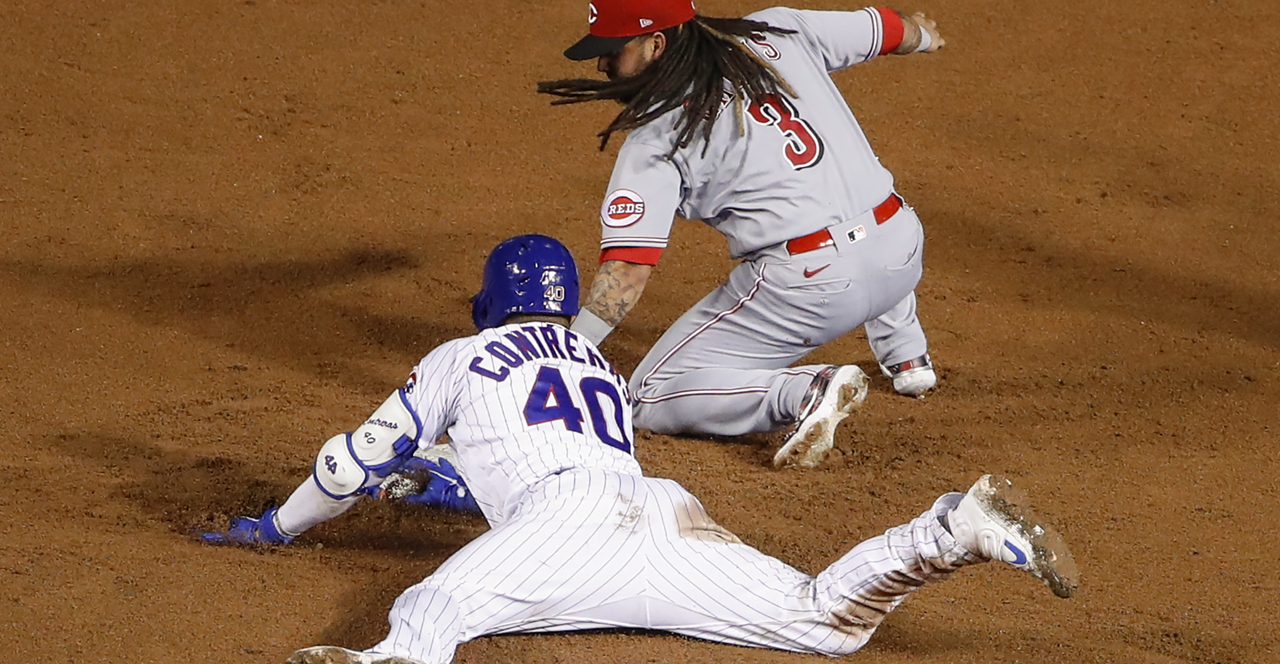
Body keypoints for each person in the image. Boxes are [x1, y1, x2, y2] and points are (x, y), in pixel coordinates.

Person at [200, 233, 1078, 664]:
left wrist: (274, 529)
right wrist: (451, 489)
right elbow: (539, 457)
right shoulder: (597, 363)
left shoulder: (462, 356)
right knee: (823, 623)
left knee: (431, 615)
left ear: (487, 304)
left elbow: (348, 468)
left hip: (561, 526)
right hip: (660, 515)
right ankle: (951, 530)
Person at [538, 0, 945, 467]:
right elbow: (888, 29)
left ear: (656, 44)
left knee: (648, 393)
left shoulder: (658, 135)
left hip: (816, 288)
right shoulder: (776, 30)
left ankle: (802, 392)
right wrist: (923, 36)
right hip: (902, 248)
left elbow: (627, 271)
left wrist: (562, 355)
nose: (602, 63)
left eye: (613, 49)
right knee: (847, 191)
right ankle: (908, 356)